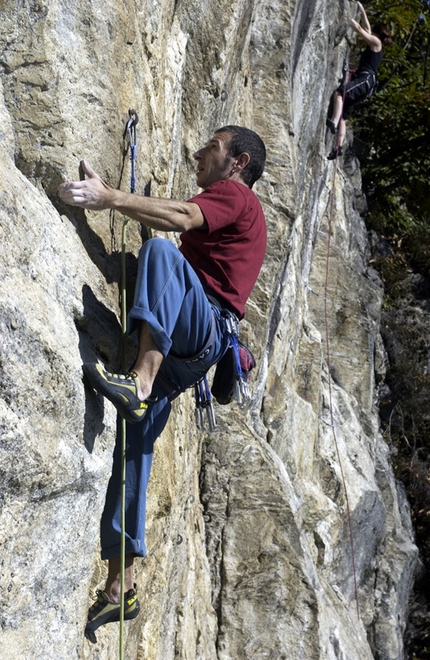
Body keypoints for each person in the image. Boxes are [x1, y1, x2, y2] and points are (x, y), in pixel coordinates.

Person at [57, 125, 267, 642]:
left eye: (212, 148)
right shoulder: (237, 211)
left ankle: (140, 382)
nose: (199, 153)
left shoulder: (236, 196)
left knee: (160, 256)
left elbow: (179, 218)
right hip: (195, 349)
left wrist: (110, 198)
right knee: (131, 450)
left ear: (237, 162)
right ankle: (119, 587)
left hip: (201, 333)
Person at [326, 2, 392, 159]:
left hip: (365, 79)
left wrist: (347, 16)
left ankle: (333, 122)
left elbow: (362, 31)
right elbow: (367, 27)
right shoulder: (374, 42)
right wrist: (362, 11)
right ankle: (338, 147)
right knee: (344, 114)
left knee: (339, 93)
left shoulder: (377, 43)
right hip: (366, 83)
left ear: (377, 34)